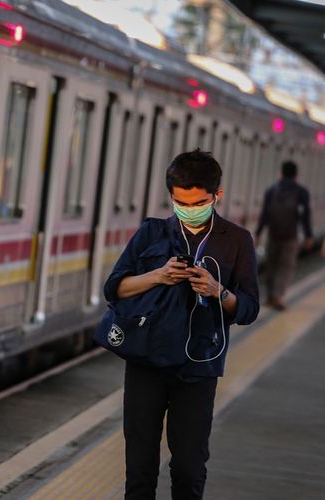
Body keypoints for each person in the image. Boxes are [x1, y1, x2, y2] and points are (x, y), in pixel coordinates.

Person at [104, 149, 259, 499]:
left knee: (189, 468)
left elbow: (249, 308)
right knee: (140, 469)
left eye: (199, 202)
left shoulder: (236, 240)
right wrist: (157, 276)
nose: (189, 209)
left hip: (199, 366)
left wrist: (219, 291)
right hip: (147, 360)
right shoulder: (152, 233)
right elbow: (114, 288)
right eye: (180, 202)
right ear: (171, 197)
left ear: (217, 196)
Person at [255, 160, 313, 310]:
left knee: (271, 265)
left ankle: (269, 297)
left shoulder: (271, 190)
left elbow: (265, 214)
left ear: (281, 173)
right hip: (290, 237)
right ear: (296, 175)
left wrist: (258, 233)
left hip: (273, 234)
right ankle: (278, 296)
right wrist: (308, 235)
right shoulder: (301, 192)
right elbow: (305, 215)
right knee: (285, 267)